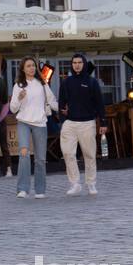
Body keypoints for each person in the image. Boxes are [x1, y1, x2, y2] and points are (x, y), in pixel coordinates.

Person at [58, 52, 108, 196]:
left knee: (89, 154)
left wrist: (103, 122)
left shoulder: (92, 82)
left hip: (88, 123)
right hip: (70, 123)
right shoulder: (66, 82)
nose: (77, 65)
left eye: (79, 62)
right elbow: (61, 102)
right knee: (68, 153)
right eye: (74, 63)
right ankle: (75, 184)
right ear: (71, 65)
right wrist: (63, 119)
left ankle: (91, 183)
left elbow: (99, 103)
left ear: (84, 64)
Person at [10, 57, 58, 199]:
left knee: (40, 159)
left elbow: (52, 101)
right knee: (24, 154)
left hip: (40, 123)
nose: (31, 68)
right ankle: (23, 189)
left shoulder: (42, 84)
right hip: (23, 122)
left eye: (33, 66)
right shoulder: (18, 85)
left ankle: (40, 189)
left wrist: (64, 109)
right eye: (28, 66)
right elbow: (13, 109)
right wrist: (19, 98)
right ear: (23, 69)